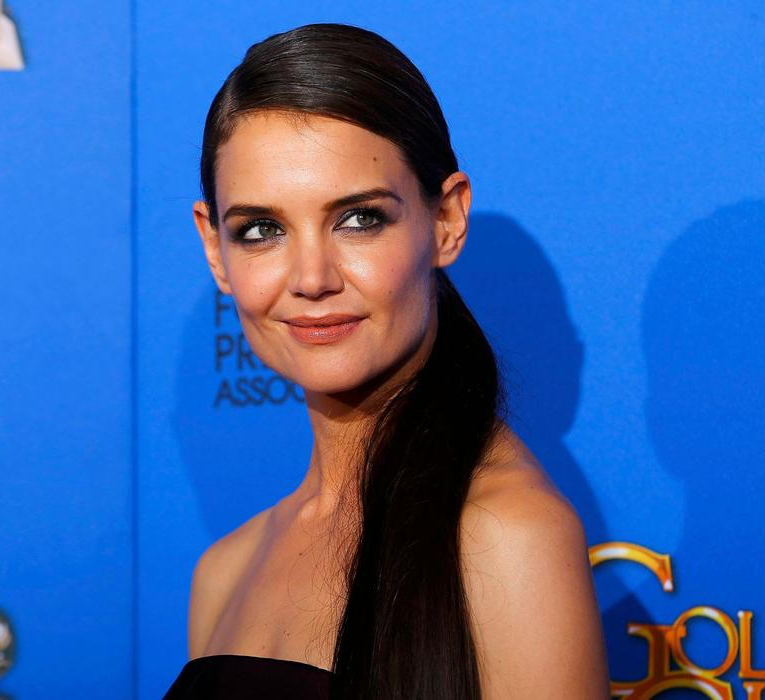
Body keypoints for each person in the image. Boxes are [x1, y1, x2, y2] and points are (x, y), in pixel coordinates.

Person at [163, 22, 609, 700]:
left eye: (359, 219)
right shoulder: (223, 571)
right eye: (262, 230)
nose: (311, 277)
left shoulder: (506, 539)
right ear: (215, 248)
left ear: (447, 221)